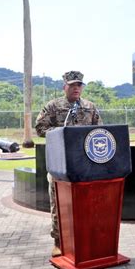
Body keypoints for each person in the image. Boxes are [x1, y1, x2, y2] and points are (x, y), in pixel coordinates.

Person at [35, 71, 102, 257]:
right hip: (61, 163)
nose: (76, 88)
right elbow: (40, 129)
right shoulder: (53, 107)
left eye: (79, 85)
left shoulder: (90, 107)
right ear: (64, 86)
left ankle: (86, 239)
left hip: (85, 164)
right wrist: (62, 133)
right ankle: (58, 241)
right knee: (59, 203)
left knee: (88, 203)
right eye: (72, 85)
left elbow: (99, 130)